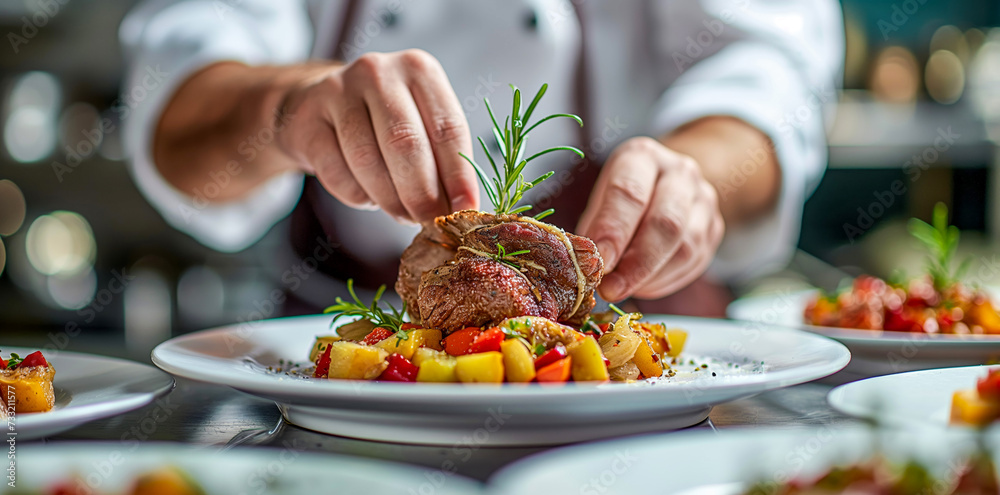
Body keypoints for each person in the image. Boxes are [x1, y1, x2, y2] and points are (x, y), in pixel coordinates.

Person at [120, 0, 843, 316]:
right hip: (342, 408)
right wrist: (285, 109)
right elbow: (177, 108)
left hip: (630, 393)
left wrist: (695, 173)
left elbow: (771, 73)